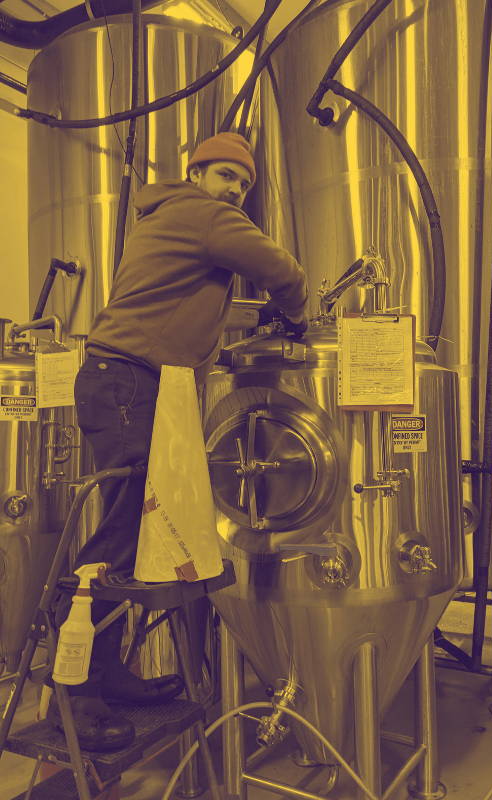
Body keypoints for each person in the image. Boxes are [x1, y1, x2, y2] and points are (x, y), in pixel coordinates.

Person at [48, 132, 308, 751]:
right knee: (118, 535)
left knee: (133, 532)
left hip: (127, 382)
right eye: (225, 176)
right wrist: (296, 312)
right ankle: (74, 693)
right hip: (129, 384)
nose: (234, 192)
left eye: (242, 184)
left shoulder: (172, 218)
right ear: (195, 174)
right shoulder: (204, 215)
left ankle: (105, 673)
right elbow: (283, 270)